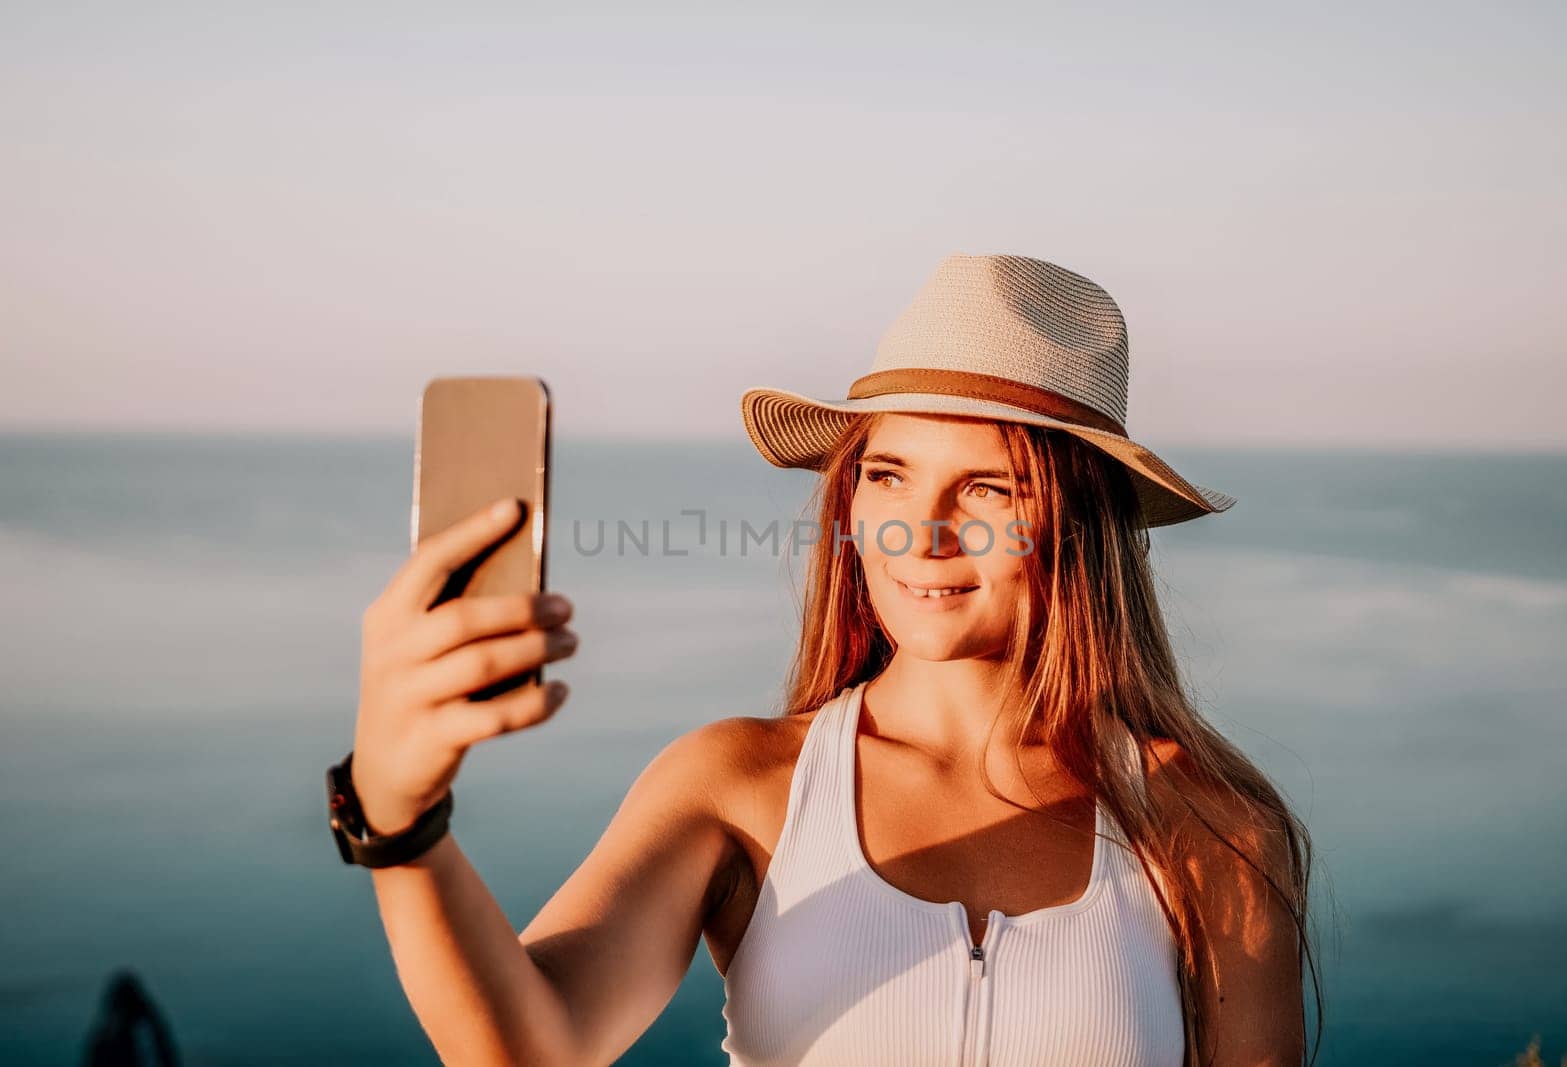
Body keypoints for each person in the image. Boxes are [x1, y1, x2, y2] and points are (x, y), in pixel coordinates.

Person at [339, 253, 1322, 1066]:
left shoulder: (1206, 823)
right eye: (888, 475)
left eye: (988, 489)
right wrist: (399, 819)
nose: (920, 531)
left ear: (1082, 524)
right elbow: (528, 1051)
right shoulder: (736, 783)